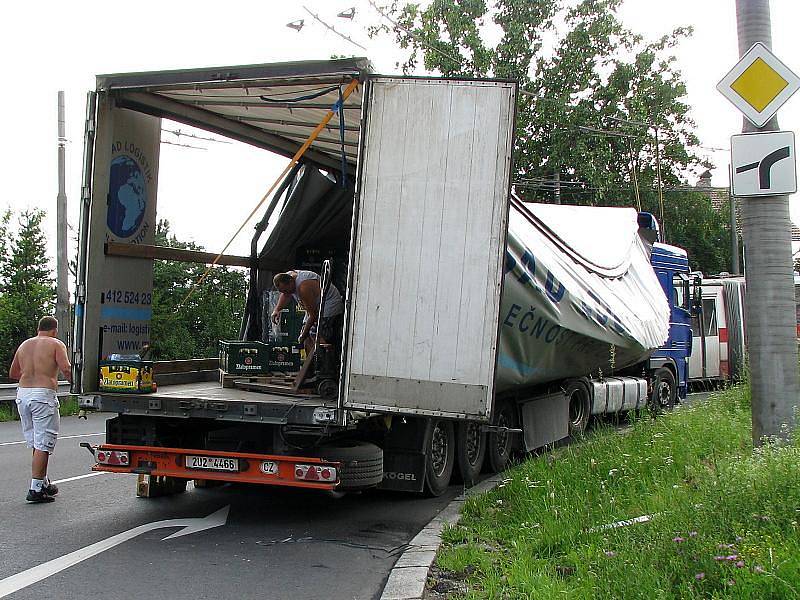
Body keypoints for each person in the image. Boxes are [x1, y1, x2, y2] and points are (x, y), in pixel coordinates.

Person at [9, 316, 72, 503]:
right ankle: (35, 488)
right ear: (54, 330)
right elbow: (66, 369)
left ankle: (43, 482)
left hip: (23, 395)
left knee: (37, 442)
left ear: (39, 328)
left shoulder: (24, 345)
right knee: (44, 443)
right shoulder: (55, 343)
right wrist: (76, 385)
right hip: (42, 395)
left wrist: (31, 374)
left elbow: (13, 373)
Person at [272, 270, 345, 357]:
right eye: (282, 291)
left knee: (314, 333)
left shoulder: (304, 287)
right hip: (316, 305)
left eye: (286, 290)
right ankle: (311, 363)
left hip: (329, 305)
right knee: (305, 335)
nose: (285, 293)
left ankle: (324, 361)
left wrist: (303, 335)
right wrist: (277, 309)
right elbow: (286, 295)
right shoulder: (287, 276)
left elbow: (313, 315)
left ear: (291, 282)